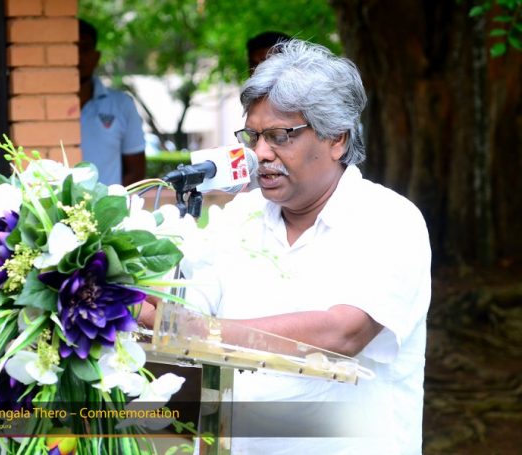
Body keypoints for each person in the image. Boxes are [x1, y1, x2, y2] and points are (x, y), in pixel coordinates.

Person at [141, 39, 431, 454]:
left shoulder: (389, 219)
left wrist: (203, 330)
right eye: (254, 136)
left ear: (336, 138)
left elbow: (344, 331)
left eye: (280, 136)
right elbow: (185, 310)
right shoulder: (239, 217)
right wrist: (112, 292)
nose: (260, 153)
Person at [78, 19, 146, 186]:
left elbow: (136, 171)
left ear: (96, 57)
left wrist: (108, 200)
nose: (78, 56)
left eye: (84, 49)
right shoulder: (41, 108)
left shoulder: (122, 105)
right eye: (72, 48)